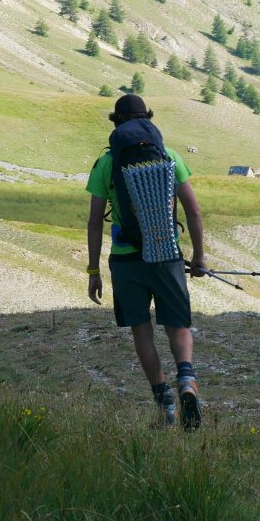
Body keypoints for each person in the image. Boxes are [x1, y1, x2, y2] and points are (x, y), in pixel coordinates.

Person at [85, 94, 206, 430]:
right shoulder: (170, 156)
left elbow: (95, 221)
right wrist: (198, 255)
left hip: (126, 261)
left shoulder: (106, 163)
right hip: (165, 253)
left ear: (116, 123)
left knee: (142, 329)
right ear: (148, 119)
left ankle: (163, 403)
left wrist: (93, 270)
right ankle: (186, 380)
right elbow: (193, 211)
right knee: (177, 324)